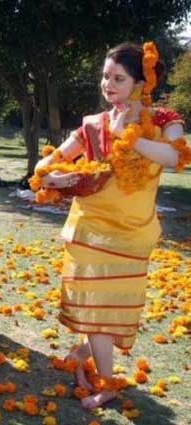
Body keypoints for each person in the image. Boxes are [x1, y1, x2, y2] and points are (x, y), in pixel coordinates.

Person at [32, 42, 190, 409]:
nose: (108, 84)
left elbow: (173, 157)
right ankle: (107, 383)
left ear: (141, 82)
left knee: (113, 309)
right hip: (89, 231)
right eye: (105, 76)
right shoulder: (93, 124)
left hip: (134, 232)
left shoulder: (165, 120)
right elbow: (56, 158)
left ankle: (85, 351)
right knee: (96, 309)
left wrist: (128, 137)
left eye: (118, 78)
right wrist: (50, 175)